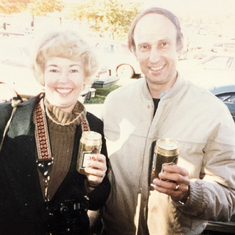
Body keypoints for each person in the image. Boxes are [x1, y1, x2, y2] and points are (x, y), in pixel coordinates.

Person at [100, 7, 235, 235]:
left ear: (180, 45)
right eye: (144, 46)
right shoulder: (114, 103)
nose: (154, 57)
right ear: (134, 50)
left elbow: (229, 196)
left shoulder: (213, 111)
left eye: (164, 44)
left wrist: (191, 193)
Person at [0, 29, 110, 235]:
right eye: (54, 70)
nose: (64, 79)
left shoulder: (94, 127)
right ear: (42, 73)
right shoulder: (8, 118)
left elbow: (98, 201)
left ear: (85, 75)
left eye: (74, 70)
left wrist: (94, 184)